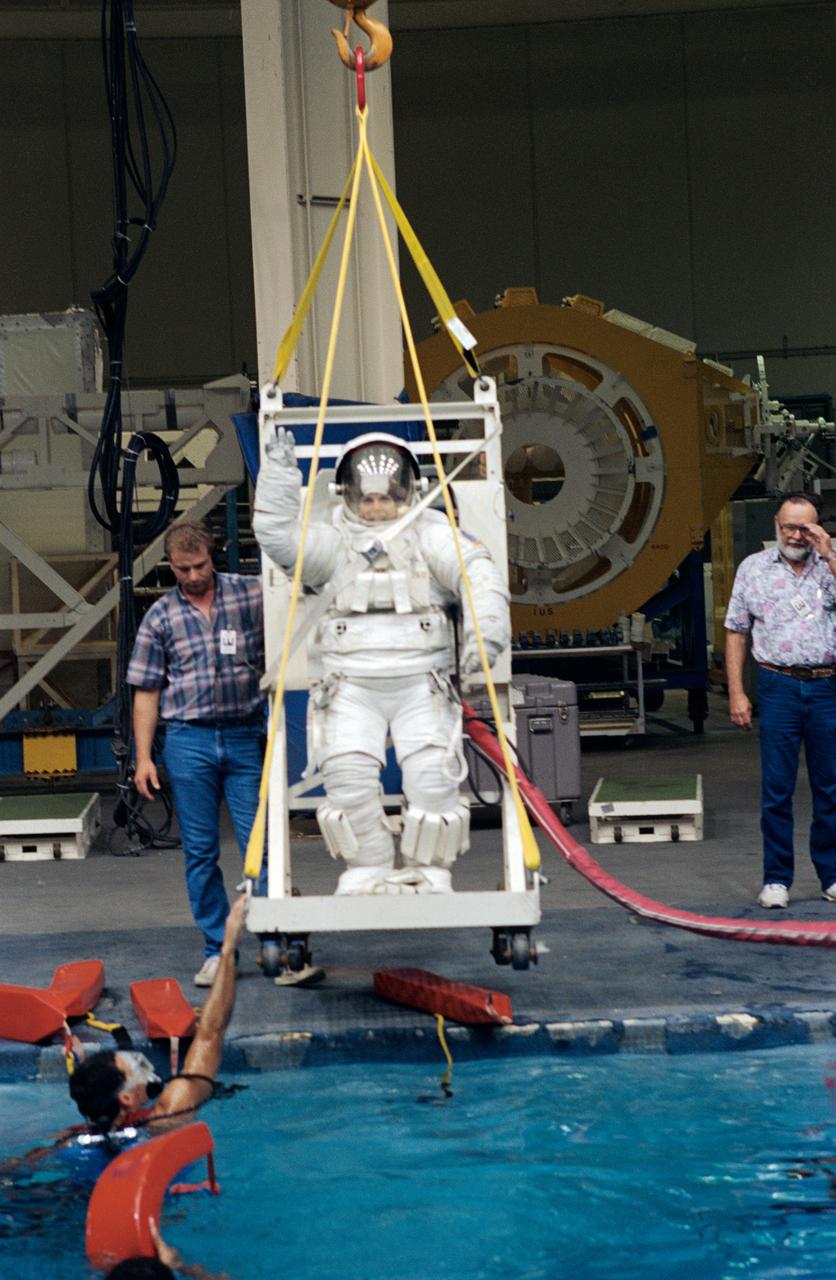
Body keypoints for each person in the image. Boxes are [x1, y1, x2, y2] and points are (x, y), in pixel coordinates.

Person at [253, 429, 510, 895]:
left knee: (433, 779)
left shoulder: (432, 534)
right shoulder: (330, 542)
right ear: (347, 495)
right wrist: (278, 475)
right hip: (350, 686)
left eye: (388, 498)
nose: (377, 509)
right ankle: (368, 866)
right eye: (367, 499)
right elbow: (276, 535)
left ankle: (426, 870)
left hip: (422, 683)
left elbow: (479, 575)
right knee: (347, 779)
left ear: (408, 491)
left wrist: (484, 638)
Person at [126, 519, 267, 986]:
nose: (190, 576)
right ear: (170, 565)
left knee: (260, 849)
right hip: (189, 742)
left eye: (199, 565)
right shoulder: (160, 617)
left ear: (215, 555)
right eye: (181, 568)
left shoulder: (253, 595)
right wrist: (144, 758)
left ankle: (277, 942)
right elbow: (146, 690)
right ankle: (217, 950)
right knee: (201, 853)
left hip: (246, 735)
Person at [724, 491, 836, 909]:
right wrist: (737, 692)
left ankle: (832, 873)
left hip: (827, 685)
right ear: (776, 523)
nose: (796, 534)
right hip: (777, 685)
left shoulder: (829, 564)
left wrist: (829, 555)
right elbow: (736, 631)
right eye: (789, 526)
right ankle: (776, 879)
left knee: (830, 787)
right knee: (776, 789)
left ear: (818, 527)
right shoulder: (753, 570)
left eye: (805, 527)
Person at [69, 897, 246, 1133]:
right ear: (127, 1099)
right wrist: (228, 948)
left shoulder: (71, 1138)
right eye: (134, 1068)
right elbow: (210, 1034)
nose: (140, 1066)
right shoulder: (167, 1117)